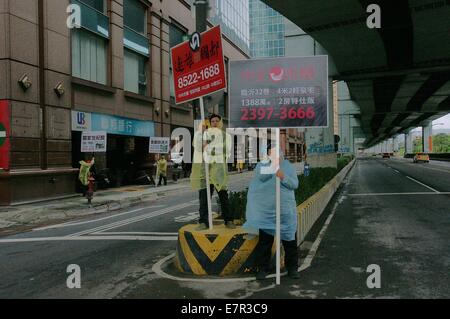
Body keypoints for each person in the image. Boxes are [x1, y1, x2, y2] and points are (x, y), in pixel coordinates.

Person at [243, 144, 300, 280]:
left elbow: (294, 184)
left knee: (289, 241)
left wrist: (283, 177)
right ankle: (263, 269)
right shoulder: (261, 166)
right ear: (267, 154)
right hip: (267, 213)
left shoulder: (288, 166)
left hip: (285, 211)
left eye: (277, 152)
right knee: (265, 242)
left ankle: (292, 268)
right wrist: (273, 168)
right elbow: (260, 178)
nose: (274, 155)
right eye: (271, 153)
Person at [190, 114, 235, 230]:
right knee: (204, 199)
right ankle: (203, 222)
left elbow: (225, 149)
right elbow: (197, 147)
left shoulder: (225, 136)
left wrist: (209, 147)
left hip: (219, 172)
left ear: (220, 123)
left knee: (224, 198)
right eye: (212, 121)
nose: (214, 123)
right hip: (205, 172)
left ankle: (228, 220)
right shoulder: (203, 135)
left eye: (217, 121)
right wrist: (200, 133)